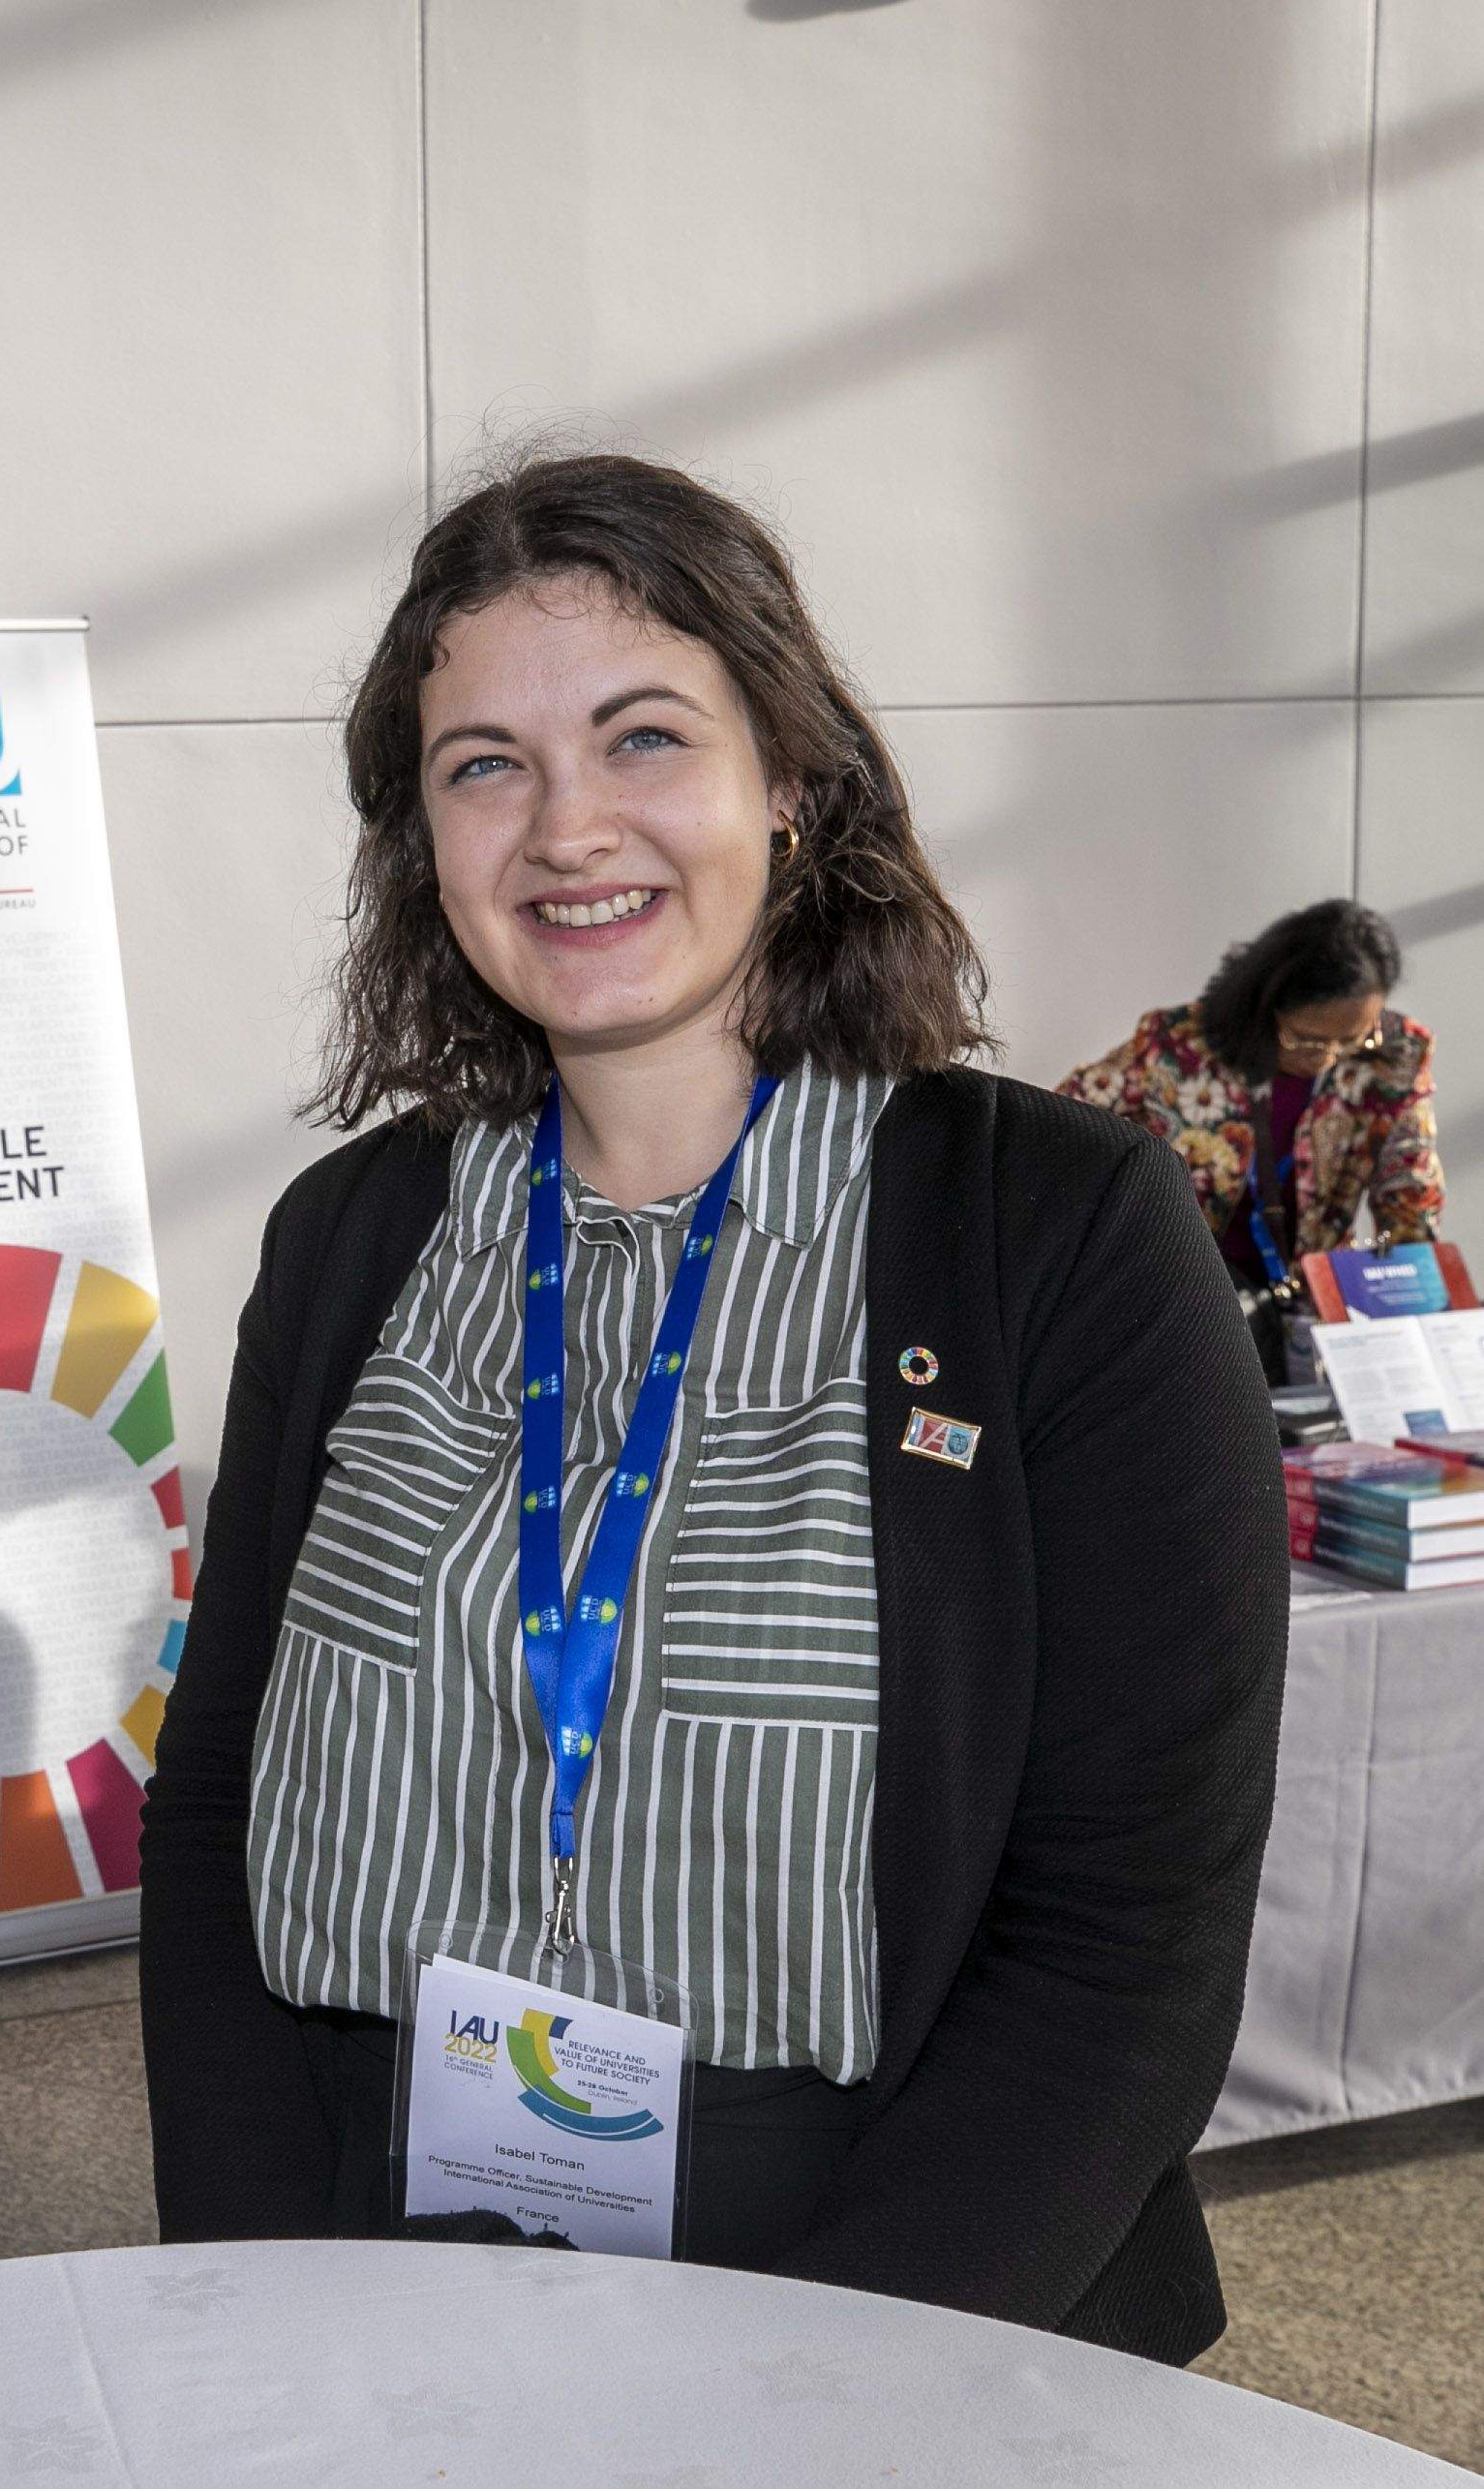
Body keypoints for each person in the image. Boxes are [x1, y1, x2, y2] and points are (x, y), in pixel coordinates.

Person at [136, 453, 1285, 2361]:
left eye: (643, 736)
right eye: (481, 764)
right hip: (381, 2268)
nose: (566, 826)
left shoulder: (1052, 1238)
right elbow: (213, 1819)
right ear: (418, 844)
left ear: (792, 783)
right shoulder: (352, 1241)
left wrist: (799, 2409)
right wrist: (259, 2302)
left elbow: (1126, 1950)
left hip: (907, 2296)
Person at [1062, 902, 1441, 1371]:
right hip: (1189, 1299)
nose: (1327, 1057)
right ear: (1267, 1005)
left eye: (1351, 1041)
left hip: (1317, 1308)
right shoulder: (1178, 1045)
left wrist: (1414, 1309)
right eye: (1305, 1039)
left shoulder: (1397, 1054)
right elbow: (1066, 1126)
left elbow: (1410, 1190)